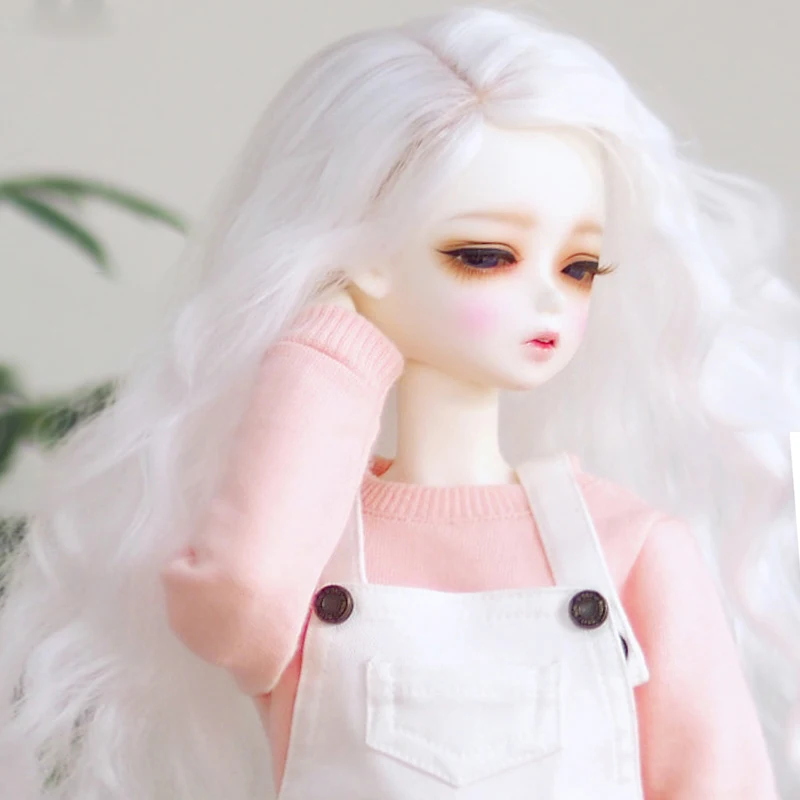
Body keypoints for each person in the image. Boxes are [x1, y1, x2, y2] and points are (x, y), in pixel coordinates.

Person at [1, 6, 798, 799]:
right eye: (486, 255)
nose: (548, 301)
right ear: (363, 257)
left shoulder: (631, 546)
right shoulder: (308, 544)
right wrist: (328, 349)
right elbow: (236, 611)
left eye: (578, 267)